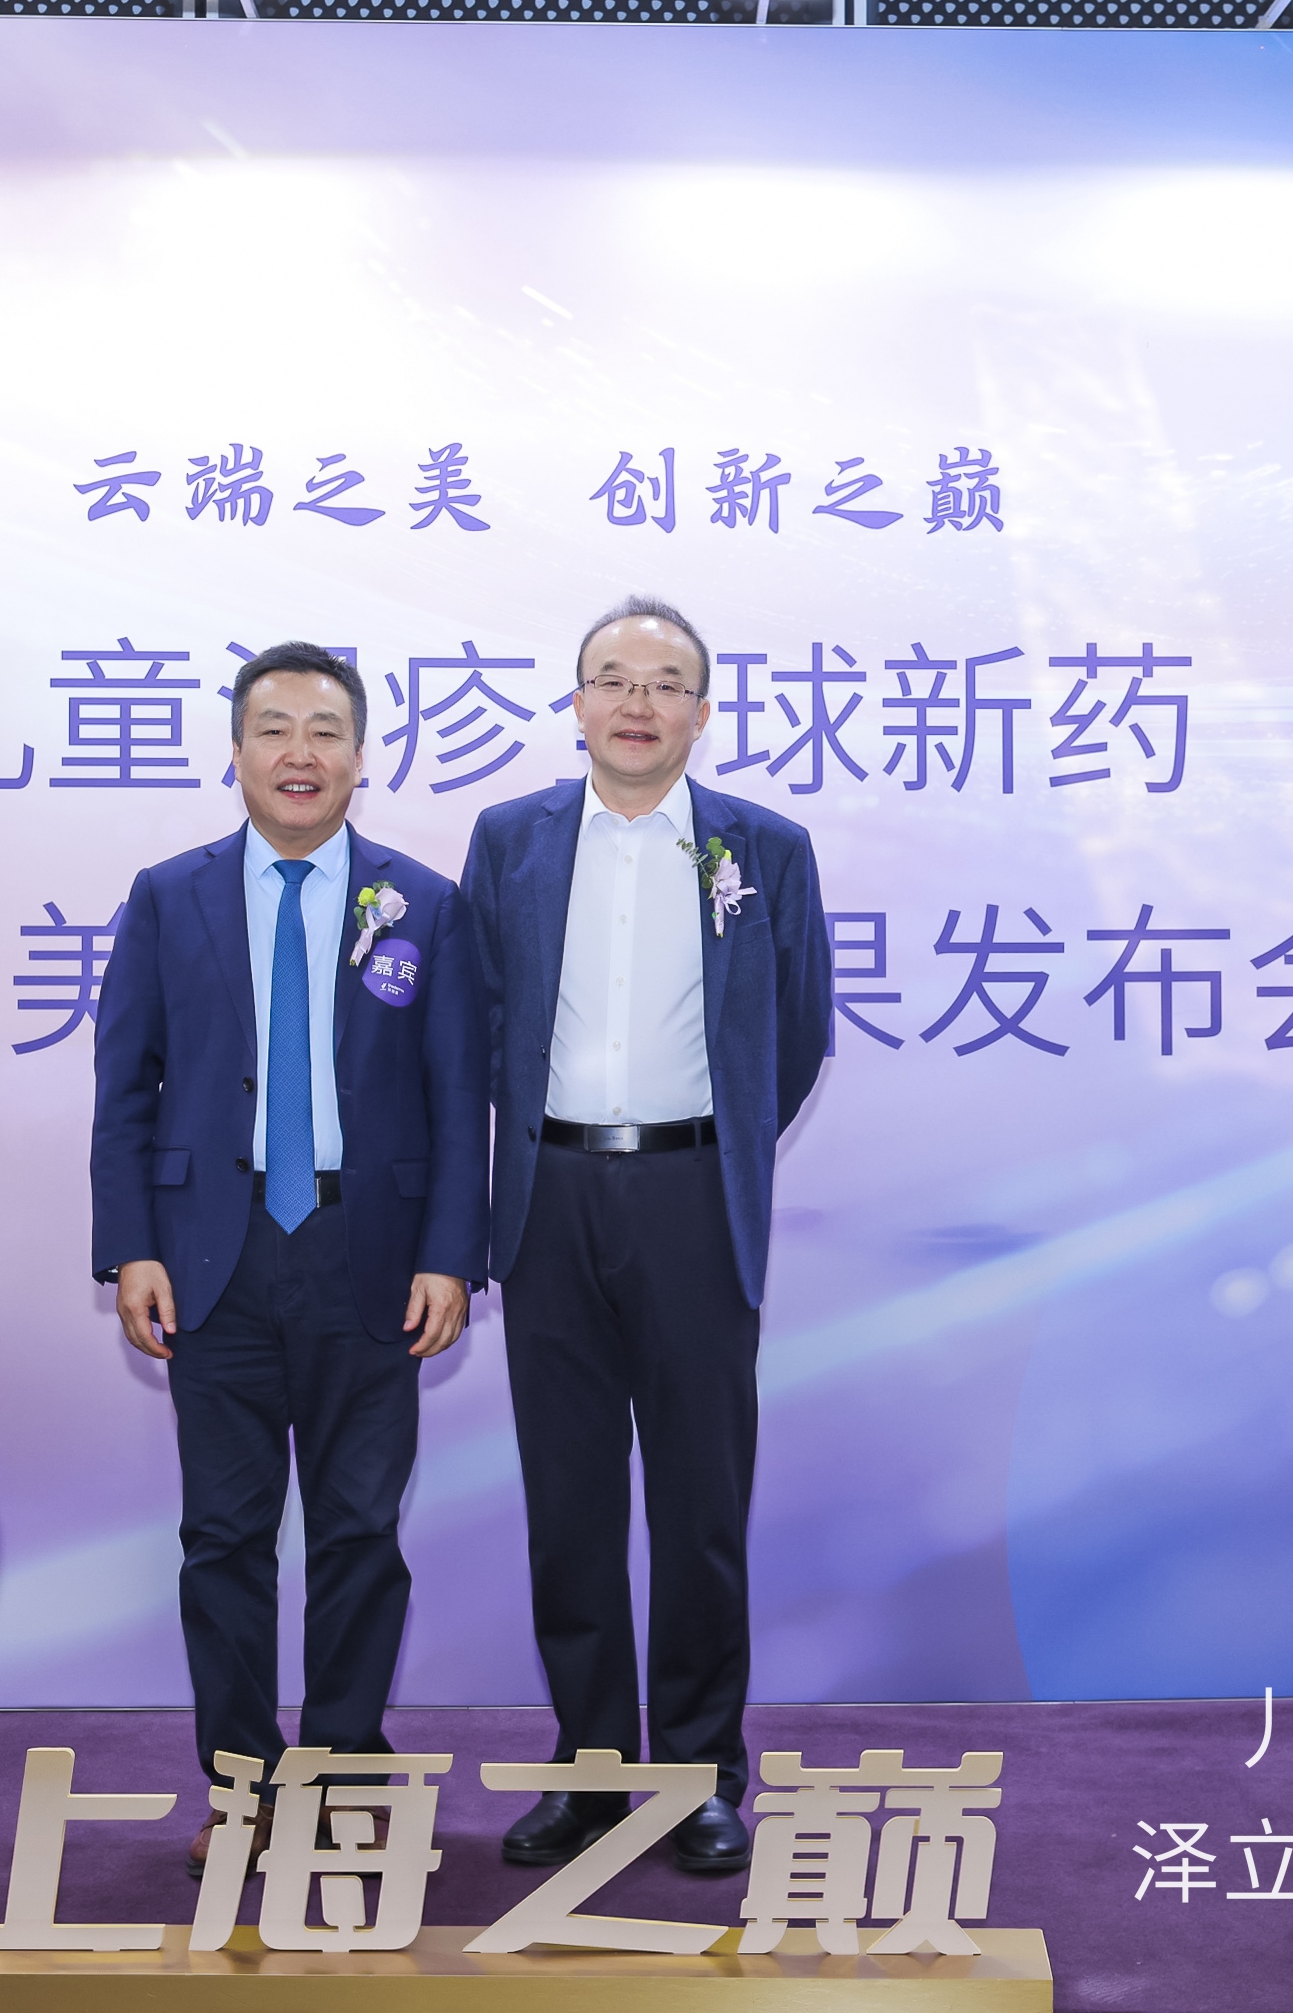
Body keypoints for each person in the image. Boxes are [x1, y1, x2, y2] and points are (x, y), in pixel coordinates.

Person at [89, 641, 490, 1877]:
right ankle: (241, 1784)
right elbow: (125, 1086)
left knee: (360, 1533)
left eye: (324, 729)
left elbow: (457, 1095)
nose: (298, 752)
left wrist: (450, 1254)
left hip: (370, 1257)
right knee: (223, 1537)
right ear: (235, 752)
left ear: (361, 757)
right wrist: (129, 1247)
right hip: (213, 1258)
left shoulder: (424, 903)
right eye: (273, 728)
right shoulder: (170, 895)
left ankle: (345, 1773)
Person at [460, 596, 830, 1875]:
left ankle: (698, 1775)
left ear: (701, 711)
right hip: (549, 1194)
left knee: (697, 1505)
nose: (636, 703)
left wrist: (713, 1144)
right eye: (612, 678)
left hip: (690, 1200)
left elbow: (795, 1032)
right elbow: (477, 1021)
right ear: (575, 704)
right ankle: (588, 1770)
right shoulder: (508, 839)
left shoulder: (762, 848)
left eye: (665, 683)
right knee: (567, 1506)